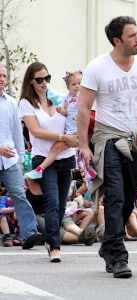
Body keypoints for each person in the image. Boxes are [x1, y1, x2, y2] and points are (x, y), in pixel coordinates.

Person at [77, 16, 137, 279]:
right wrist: (84, 145)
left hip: (136, 137)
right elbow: (84, 108)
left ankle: (108, 242)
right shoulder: (97, 67)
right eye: (132, 36)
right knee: (116, 195)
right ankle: (118, 257)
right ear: (117, 41)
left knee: (131, 194)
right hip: (108, 138)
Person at [18, 62, 79, 263]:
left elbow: (74, 119)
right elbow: (35, 131)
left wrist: (68, 139)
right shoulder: (26, 103)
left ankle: (51, 238)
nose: (44, 83)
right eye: (39, 79)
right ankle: (54, 246)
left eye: (47, 78)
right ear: (31, 81)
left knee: (61, 204)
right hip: (43, 158)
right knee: (51, 202)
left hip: (66, 156)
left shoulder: (59, 98)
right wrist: (62, 137)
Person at [0, 64, 42, 250]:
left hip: (10, 160)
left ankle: (29, 234)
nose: (2, 79)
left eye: (4, 76)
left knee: (19, 195)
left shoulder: (10, 103)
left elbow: (18, 134)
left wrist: (20, 161)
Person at [24, 70, 83, 180]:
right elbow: (67, 112)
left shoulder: (83, 96)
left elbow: (86, 109)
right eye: (74, 84)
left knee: (55, 148)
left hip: (76, 130)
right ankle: (41, 169)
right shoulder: (67, 98)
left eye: (80, 84)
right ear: (68, 87)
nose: (77, 86)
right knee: (56, 149)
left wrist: (81, 98)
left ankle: (40, 168)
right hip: (68, 130)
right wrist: (61, 111)